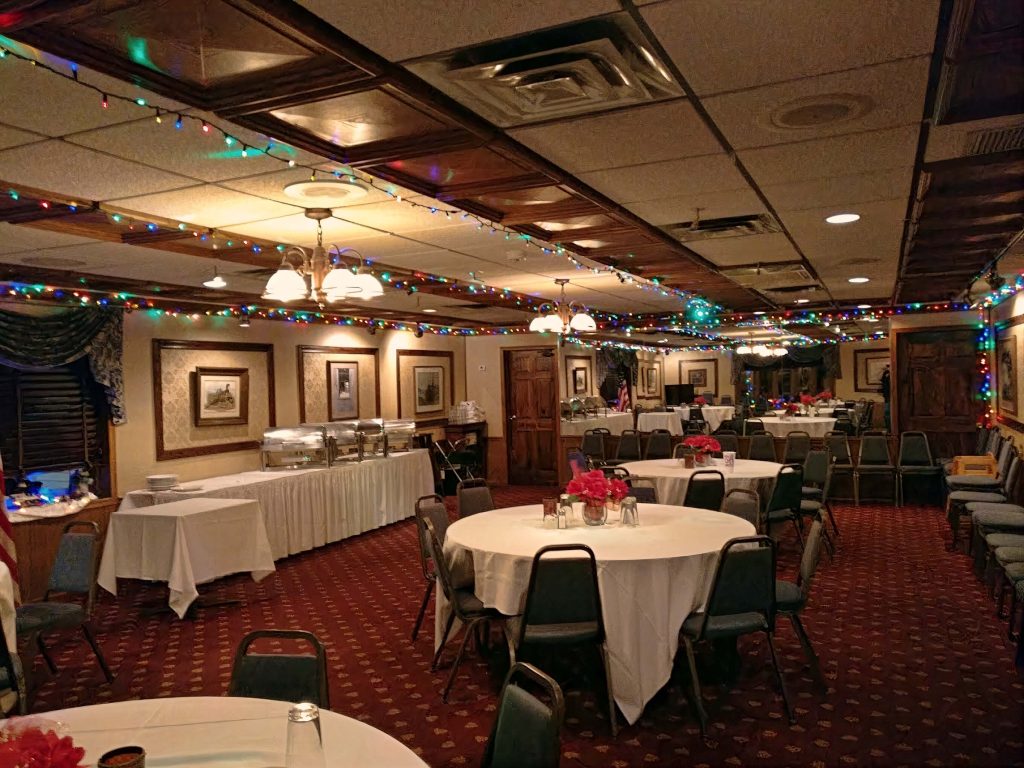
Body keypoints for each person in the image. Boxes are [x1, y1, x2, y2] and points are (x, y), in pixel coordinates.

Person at [880, 364, 891, 431]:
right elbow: (882, 381)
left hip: (892, 396)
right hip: (887, 396)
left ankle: (890, 429)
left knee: (888, 413)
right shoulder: (886, 374)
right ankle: (888, 428)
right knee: (887, 413)